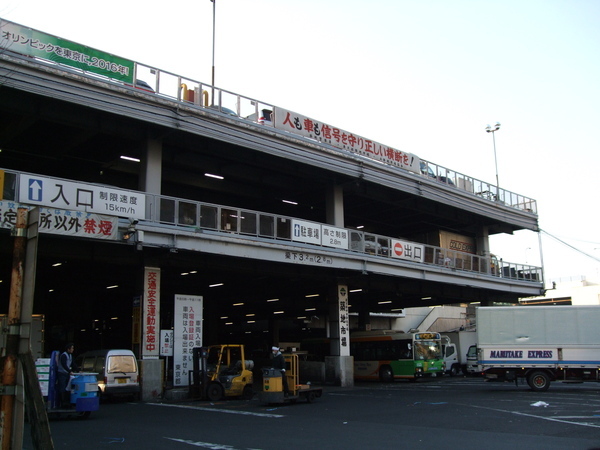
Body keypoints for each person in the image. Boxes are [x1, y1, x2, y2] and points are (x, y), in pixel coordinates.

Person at [57, 343, 79, 407]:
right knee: (62, 387)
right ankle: (62, 402)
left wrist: (78, 370)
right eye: (72, 348)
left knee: (67, 387)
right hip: (62, 373)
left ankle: (66, 401)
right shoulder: (64, 355)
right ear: (68, 349)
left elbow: (72, 364)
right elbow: (64, 365)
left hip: (66, 373)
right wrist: (69, 371)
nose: (73, 350)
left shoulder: (70, 355)